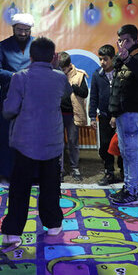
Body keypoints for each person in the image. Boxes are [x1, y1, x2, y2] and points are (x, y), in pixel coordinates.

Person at [0, 37, 72, 244]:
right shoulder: (60, 78)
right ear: (53, 56)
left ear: (30, 56)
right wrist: (55, 67)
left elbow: (10, 110)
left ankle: (13, 231)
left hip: (25, 142)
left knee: (20, 187)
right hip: (52, 142)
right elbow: (66, 95)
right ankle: (53, 224)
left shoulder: (20, 77)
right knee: (50, 185)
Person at [108, 24, 138, 206]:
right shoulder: (120, 59)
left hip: (131, 113)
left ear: (135, 40)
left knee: (131, 153)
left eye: (126, 40)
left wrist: (127, 58)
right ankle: (128, 187)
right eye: (119, 40)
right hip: (121, 113)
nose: (122, 43)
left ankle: (132, 191)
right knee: (125, 152)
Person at [0, 13, 34, 181]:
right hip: (10, 98)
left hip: (32, 99)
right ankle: (6, 173)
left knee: (31, 136)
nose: (23, 33)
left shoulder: (37, 44)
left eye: (26, 30)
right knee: (7, 135)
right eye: (19, 29)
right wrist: (15, 77)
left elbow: (46, 65)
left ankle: (32, 174)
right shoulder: (3, 46)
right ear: (13, 28)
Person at [88, 44, 124, 185]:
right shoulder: (97, 74)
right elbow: (94, 97)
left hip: (120, 117)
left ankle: (123, 171)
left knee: (121, 145)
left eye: (105, 59)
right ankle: (109, 172)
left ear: (113, 59)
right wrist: (92, 117)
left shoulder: (120, 73)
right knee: (104, 146)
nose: (102, 62)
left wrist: (118, 114)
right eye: (100, 59)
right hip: (103, 116)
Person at [58, 51, 89, 182]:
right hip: (57, 114)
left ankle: (74, 168)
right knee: (58, 143)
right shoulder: (55, 74)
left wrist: (74, 87)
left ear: (69, 65)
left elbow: (85, 93)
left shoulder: (79, 75)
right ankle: (59, 169)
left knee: (73, 142)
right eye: (60, 69)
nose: (62, 71)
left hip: (72, 115)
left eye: (64, 69)